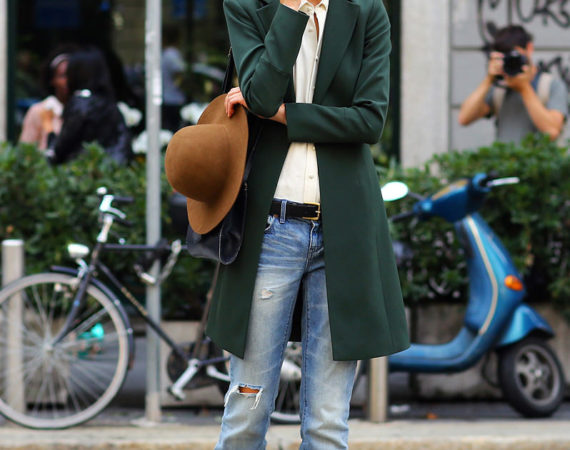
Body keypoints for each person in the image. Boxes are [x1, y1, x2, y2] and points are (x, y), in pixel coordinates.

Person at [208, 0, 410, 447]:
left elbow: (369, 120)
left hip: (345, 231)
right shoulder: (248, 6)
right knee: (246, 411)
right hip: (270, 229)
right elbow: (260, 94)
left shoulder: (366, 10)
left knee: (326, 423)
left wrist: (286, 115)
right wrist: (290, 10)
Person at [458, 25, 567, 143]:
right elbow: (464, 118)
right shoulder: (499, 89)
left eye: (515, 56)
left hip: (540, 156)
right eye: (506, 57)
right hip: (505, 155)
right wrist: (489, 79)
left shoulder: (551, 85)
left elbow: (552, 131)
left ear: (529, 48)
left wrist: (524, 89)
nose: (511, 62)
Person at [41, 47, 132, 165]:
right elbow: (123, 144)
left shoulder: (80, 105)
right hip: (109, 172)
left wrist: (49, 128)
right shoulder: (110, 105)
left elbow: (58, 151)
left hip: (81, 172)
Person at [19, 46, 76, 150]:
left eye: (72, 75)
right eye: (62, 76)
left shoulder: (84, 111)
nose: (68, 81)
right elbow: (26, 151)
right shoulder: (39, 111)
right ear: (52, 79)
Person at [161, 25, 186, 131]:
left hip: (168, 98)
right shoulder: (172, 54)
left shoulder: (166, 54)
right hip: (174, 99)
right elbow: (179, 75)